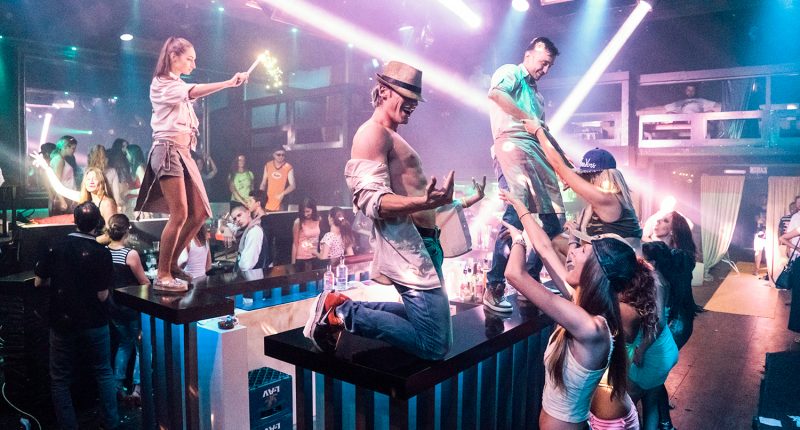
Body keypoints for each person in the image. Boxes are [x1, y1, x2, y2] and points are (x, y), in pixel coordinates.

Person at [305, 61, 476, 360]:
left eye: (415, 100)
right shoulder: (372, 134)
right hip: (410, 250)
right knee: (435, 345)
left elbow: (419, 200)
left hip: (425, 246)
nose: (413, 105)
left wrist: (457, 202)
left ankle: (337, 306)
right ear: (383, 91)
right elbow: (371, 202)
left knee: (430, 328)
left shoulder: (391, 135)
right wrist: (425, 203)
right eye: (407, 97)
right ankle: (342, 312)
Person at [501, 190, 643, 430]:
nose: (572, 250)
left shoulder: (591, 327)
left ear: (596, 270)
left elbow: (515, 274)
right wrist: (520, 208)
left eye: (582, 251)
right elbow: (545, 248)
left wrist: (518, 240)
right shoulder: (579, 306)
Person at [134, 36, 248, 291]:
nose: (193, 64)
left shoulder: (175, 84)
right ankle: (163, 274)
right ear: (173, 56)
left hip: (183, 153)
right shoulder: (162, 83)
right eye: (190, 59)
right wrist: (229, 82)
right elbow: (194, 91)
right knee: (180, 213)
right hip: (168, 149)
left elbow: (191, 94)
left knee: (200, 213)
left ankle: (172, 264)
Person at [485, 36, 564, 313]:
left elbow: (542, 131)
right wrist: (526, 119)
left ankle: (529, 279)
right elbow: (496, 94)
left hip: (537, 155)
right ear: (529, 54)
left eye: (550, 66)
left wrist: (562, 160)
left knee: (555, 220)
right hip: (511, 148)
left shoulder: (538, 96)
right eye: (543, 62)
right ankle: (494, 285)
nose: (545, 69)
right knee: (514, 216)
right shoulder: (510, 72)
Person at [33, 202, 119, 430]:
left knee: (60, 379)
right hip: (94, 322)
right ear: (98, 223)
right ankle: (112, 424)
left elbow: (39, 282)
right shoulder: (102, 253)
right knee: (103, 371)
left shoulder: (55, 246)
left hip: (62, 322)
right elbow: (102, 296)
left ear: (74, 221)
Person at [535, 140, 642, 252]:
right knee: (557, 242)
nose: (587, 181)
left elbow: (559, 166)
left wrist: (539, 132)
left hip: (619, 260)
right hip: (608, 255)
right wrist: (576, 230)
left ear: (602, 176)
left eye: (589, 176)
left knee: (548, 245)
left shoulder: (607, 199)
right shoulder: (602, 203)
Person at [105, 214, 150, 406]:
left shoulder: (104, 252)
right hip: (131, 307)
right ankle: (137, 389)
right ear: (127, 231)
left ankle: (117, 387)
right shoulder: (130, 254)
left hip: (112, 307)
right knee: (141, 346)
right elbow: (144, 282)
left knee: (124, 344)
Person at [31, 153, 118, 227]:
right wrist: (47, 168)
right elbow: (60, 189)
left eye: (94, 179)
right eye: (88, 179)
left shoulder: (107, 203)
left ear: (101, 182)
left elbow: (111, 233)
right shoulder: (84, 197)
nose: (91, 182)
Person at [230, 205, 269, 271]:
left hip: (252, 274)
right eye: (235, 219)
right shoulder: (247, 229)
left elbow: (246, 265)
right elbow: (227, 226)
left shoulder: (254, 231)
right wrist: (226, 229)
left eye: (239, 215)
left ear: (248, 213)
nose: (238, 220)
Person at [49, 135, 79, 214]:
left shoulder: (58, 159)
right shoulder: (59, 160)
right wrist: (62, 201)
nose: (74, 151)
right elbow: (56, 182)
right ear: (65, 147)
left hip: (66, 196)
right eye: (73, 148)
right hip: (65, 198)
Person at [292, 197, 321, 266]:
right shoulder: (298, 222)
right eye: (303, 212)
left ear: (313, 209)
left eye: (308, 211)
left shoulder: (318, 219)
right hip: (301, 257)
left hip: (315, 256)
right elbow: (295, 244)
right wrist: (293, 263)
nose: (305, 214)